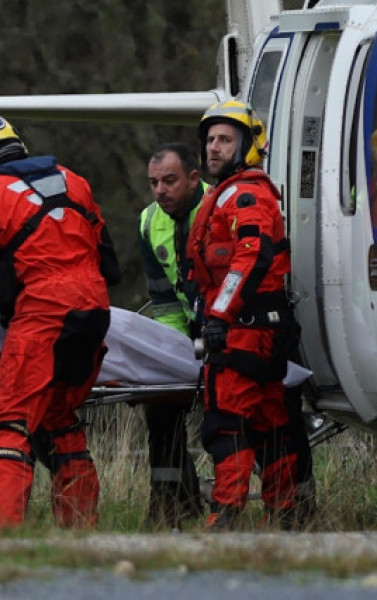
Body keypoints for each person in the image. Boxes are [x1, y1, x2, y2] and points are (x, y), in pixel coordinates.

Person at [0, 111, 120, 530]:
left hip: (44, 314)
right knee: (61, 419)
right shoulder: (74, 181)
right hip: (93, 313)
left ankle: (2, 532)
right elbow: (110, 266)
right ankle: (80, 529)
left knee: (10, 422)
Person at [187, 100, 307, 530]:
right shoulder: (233, 193)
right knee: (270, 422)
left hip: (243, 331)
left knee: (227, 422)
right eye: (211, 140)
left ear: (247, 146)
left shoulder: (245, 195)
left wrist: (219, 315)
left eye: (225, 140)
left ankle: (226, 516)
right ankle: (285, 513)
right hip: (258, 330)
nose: (214, 148)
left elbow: (250, 258)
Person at [137, 142, 206, 529]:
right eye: (154, 183)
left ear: (194, 179)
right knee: (160, 404)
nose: (161, 190)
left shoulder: (220, 207)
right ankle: (172, 504)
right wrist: (175, 357)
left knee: (225, 417)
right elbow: (163, 301)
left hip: (231, 327)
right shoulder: (149, 222)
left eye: (169, 181)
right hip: (184, 327)